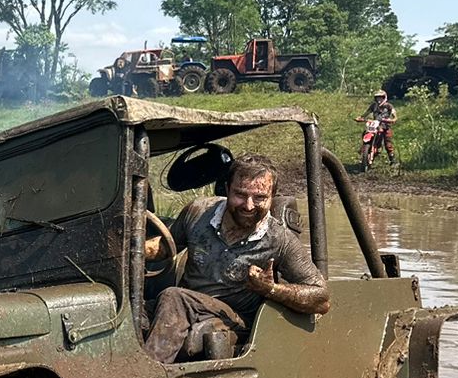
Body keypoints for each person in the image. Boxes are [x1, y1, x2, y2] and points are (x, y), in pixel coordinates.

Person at [143, 153, 330, 364]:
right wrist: (137, 251)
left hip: (234, 318)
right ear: (227, 189)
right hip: (188, 304)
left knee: (173, 297)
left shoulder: (279, 240)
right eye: (240, 195)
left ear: (272, 197)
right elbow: (168, 246)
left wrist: (271, 289)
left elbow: (321, 298)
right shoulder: (198, 212)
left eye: (260, 198)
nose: (249, 206)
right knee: (129, 313)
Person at [355, 89, 397, 166]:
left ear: (384, 98)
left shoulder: (389, 106)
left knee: (388, 144)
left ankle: (393, 161)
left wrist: (392, 120)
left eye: (381, 97)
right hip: (375, 125)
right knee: (365, 133)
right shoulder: (373, 106)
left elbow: (394, 116)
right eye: (377, 97)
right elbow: (366, 113)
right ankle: (365, 150)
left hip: (385, 126)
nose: (379, 99)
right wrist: (360, 118)